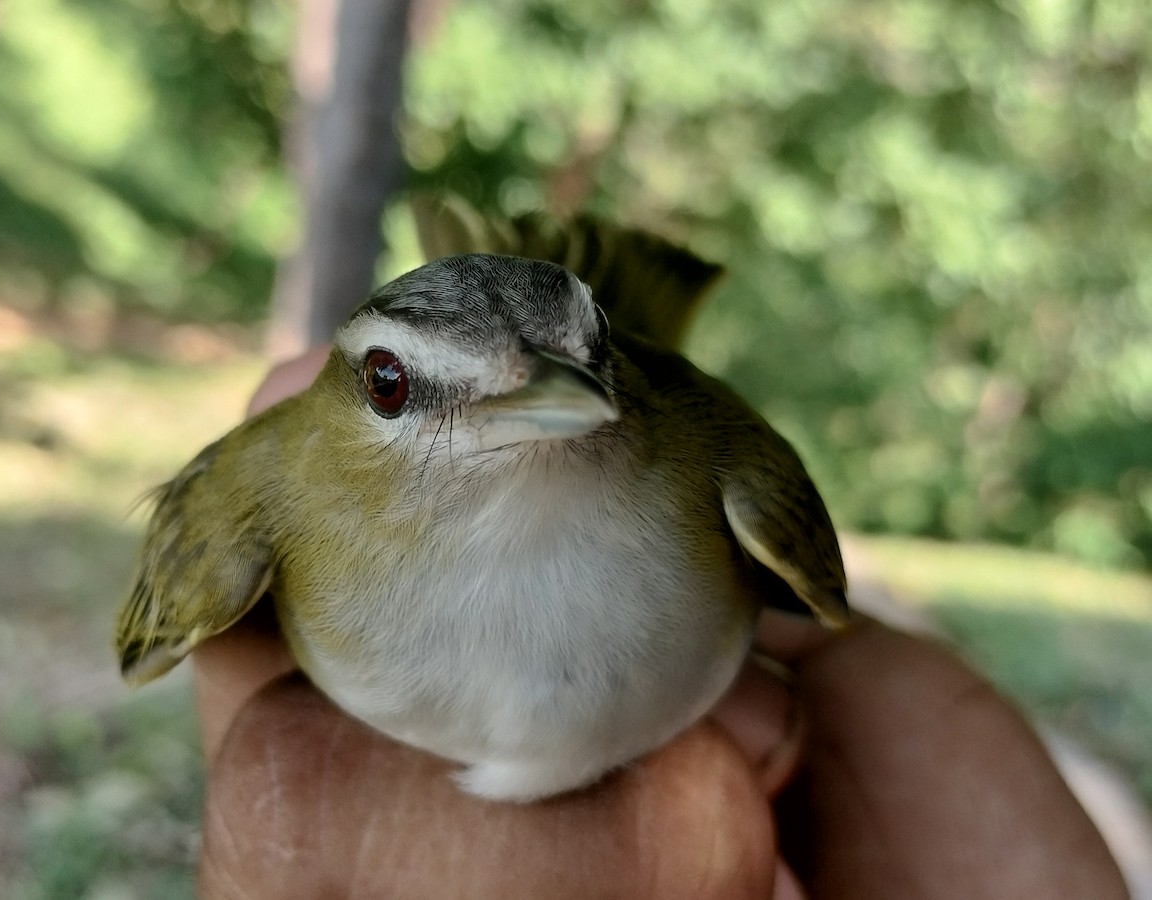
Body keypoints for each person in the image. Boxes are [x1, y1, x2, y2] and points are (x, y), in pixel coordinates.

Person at [191, 348, 1128, 899]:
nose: (541, 401)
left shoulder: (723, 471)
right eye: (397, 386)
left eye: (580, 359)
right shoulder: (252, 510)